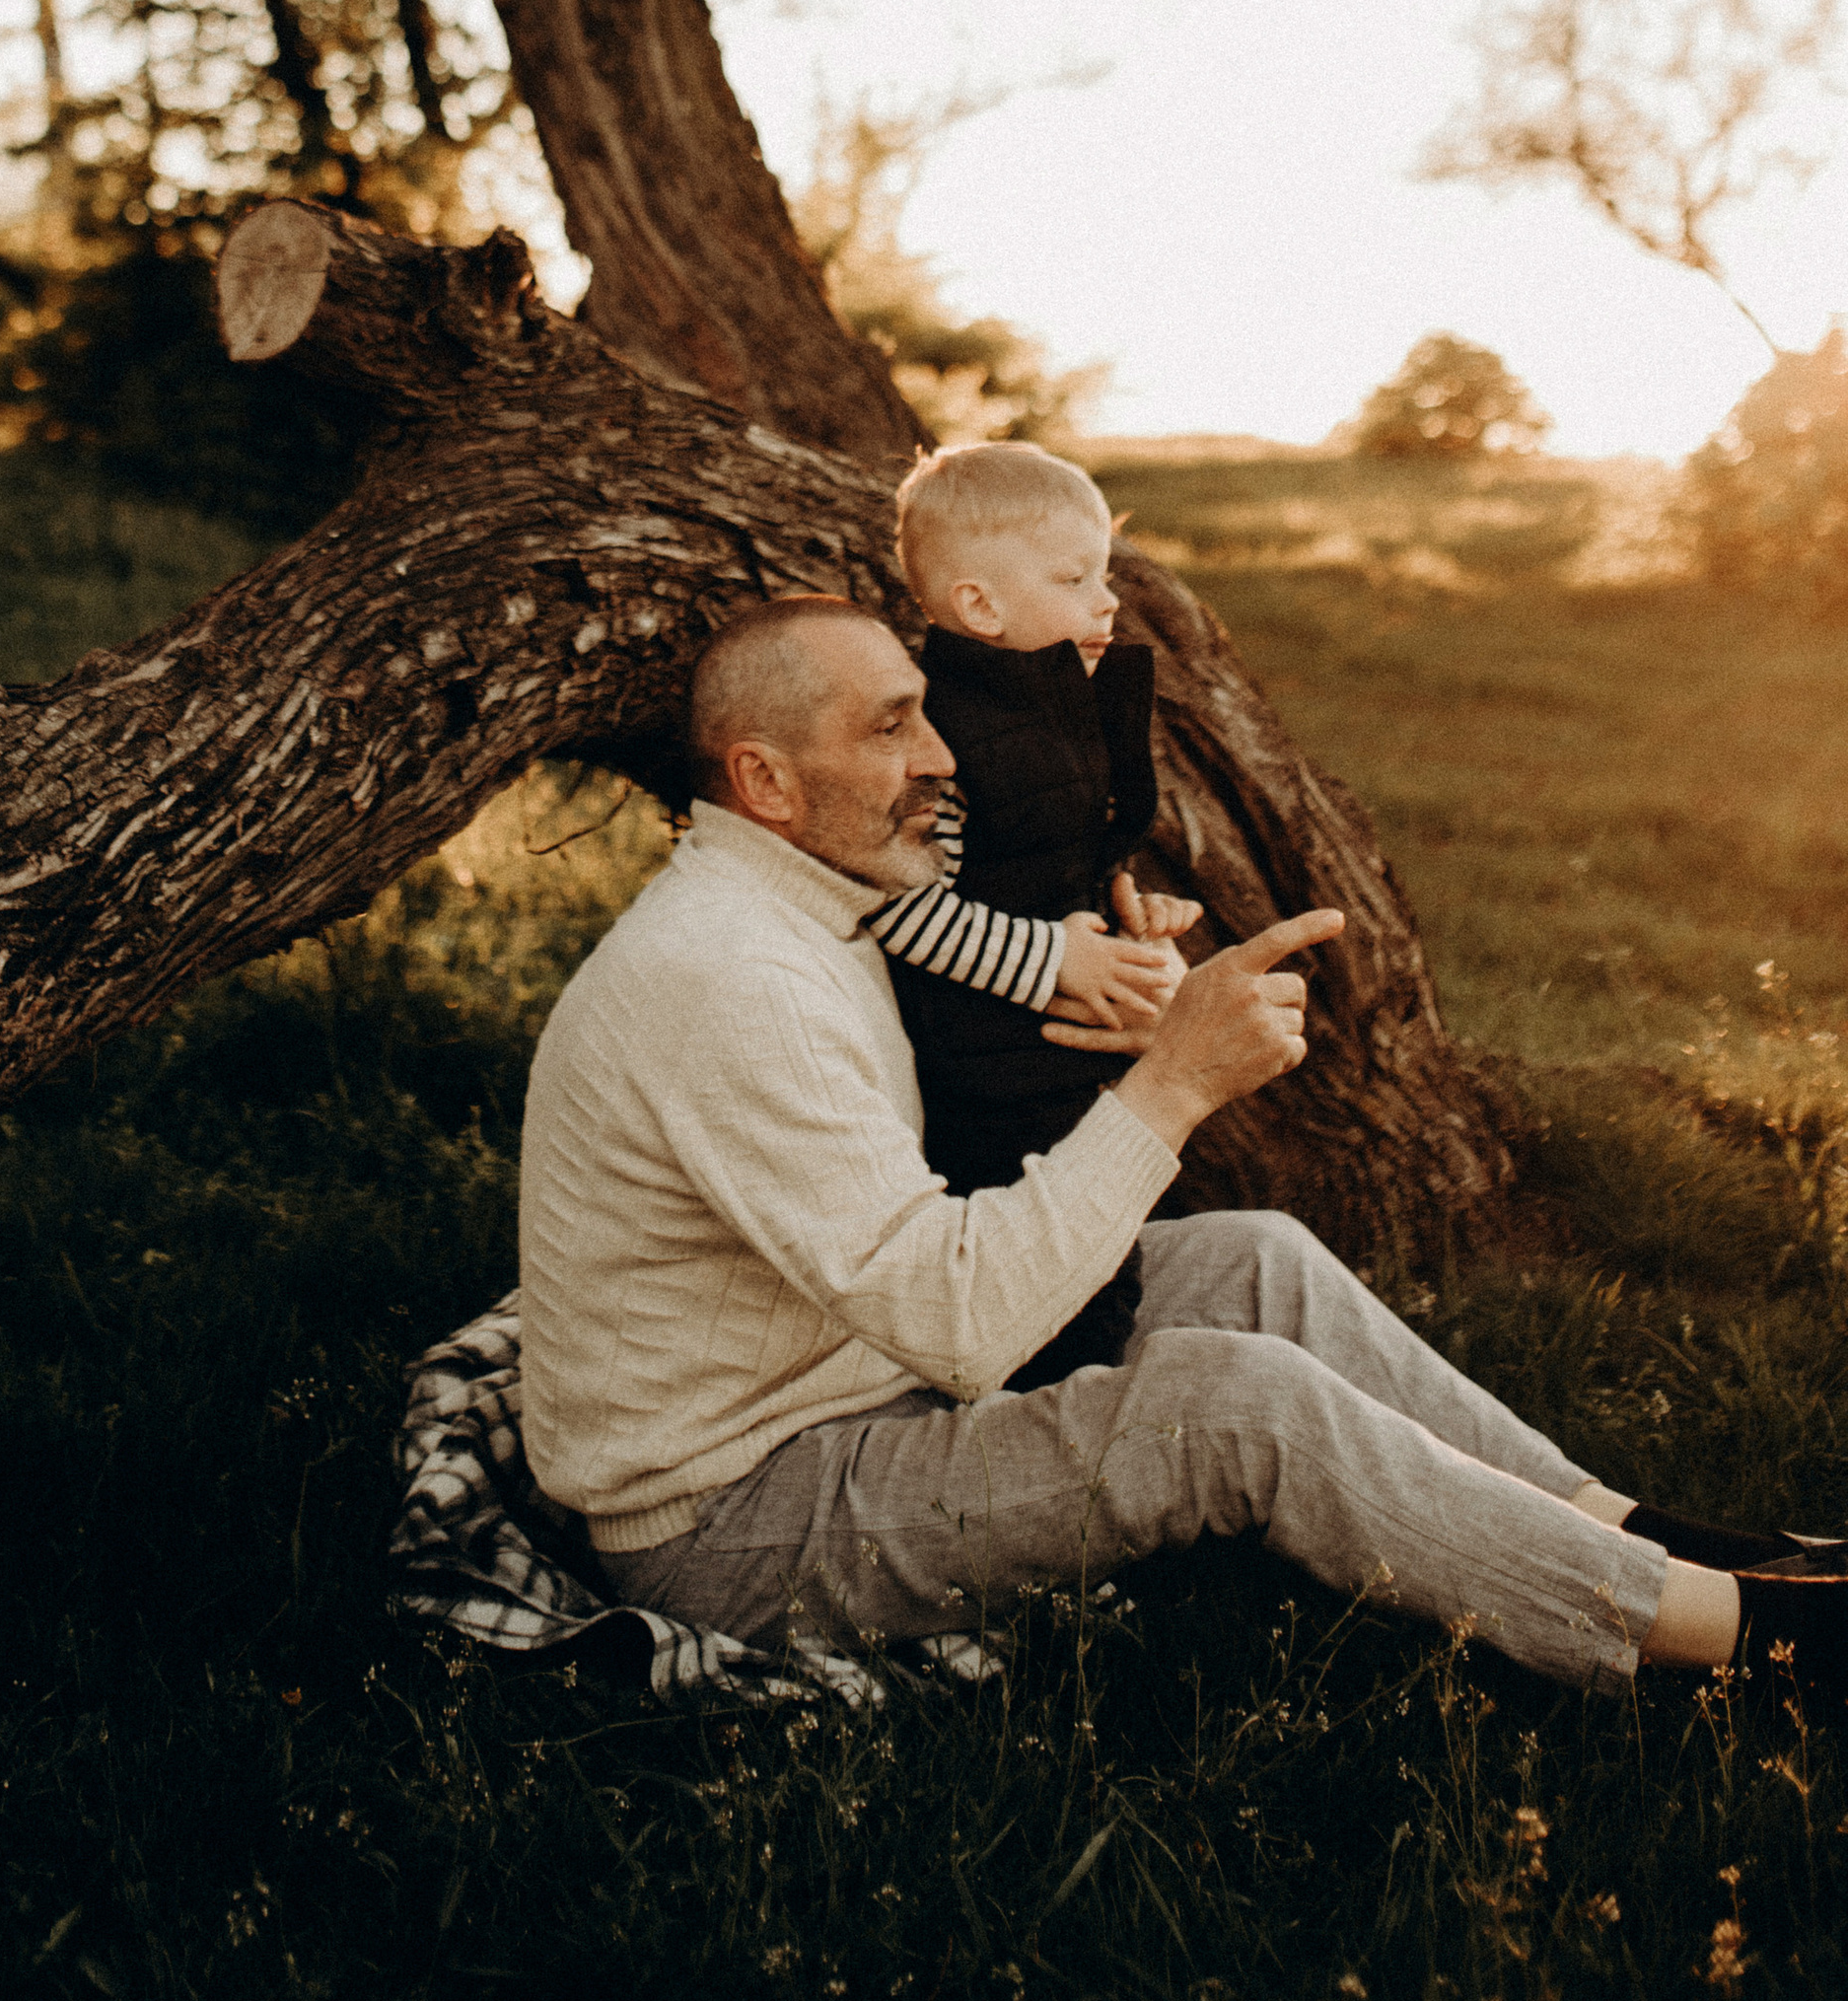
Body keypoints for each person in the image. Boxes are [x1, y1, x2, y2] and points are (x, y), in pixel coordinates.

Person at [516, 594, 1843, 1692]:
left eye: (923, 710)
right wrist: (1172, 1084)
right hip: (739, 1520)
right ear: (764, 781)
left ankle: (1649, 1538)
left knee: (1253, 1260)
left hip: (852, 1379)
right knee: (1232, 1406)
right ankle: (1765, 1647)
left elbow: (917, 1189)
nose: (942, 755)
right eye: (890, 726)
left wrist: (1111, 1011)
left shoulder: (817, 909)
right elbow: (959, 1324)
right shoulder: (727, 977)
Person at [862, 441, 1197, 1384]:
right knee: (1056, 1278)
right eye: (1074, 578)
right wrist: (1054, 959)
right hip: (981, 1074)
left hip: (1044, 1053)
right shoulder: (946, 737)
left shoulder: (1052, 712)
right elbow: (905, 910)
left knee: (1101, 1242)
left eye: (1105, 576)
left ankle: (1100, 1393)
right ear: (980, 607)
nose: (1108, 602)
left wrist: (1126, 918)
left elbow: (1047, 864)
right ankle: (1062, 1418)